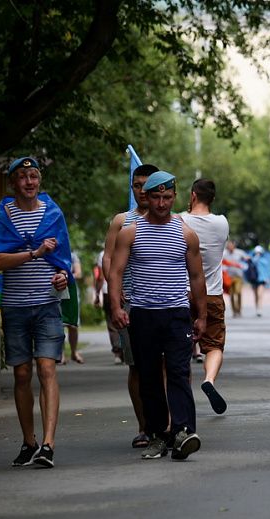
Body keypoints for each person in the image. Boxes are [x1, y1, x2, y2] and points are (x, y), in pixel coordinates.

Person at [108, 170, 207, 461]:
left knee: (179, 372)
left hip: (177, 314)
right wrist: (116, 307)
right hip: (143, 315)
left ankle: (183, 431)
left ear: (174, 197)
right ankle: (156, 435)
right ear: (146, 197)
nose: (162, 203)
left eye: (167, 197)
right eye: (156, 197)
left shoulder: (186, 233)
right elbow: (115, 272)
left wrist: (201, 316)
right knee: (149, 376)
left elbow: (197, 276)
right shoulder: (131, 232)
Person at [0, 156, 73, 469]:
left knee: (47, 369)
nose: (29, 182)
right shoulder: (3, 214)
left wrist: (62, 275)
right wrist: (34, 253)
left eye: (34, 176)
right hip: (15, 305)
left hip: (48, 303)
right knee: (22, 374)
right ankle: (29, 441)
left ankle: (48, 445)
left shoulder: (53, 213)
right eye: (22, 177)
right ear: (13, 183)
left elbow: (63, 259)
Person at [99, 163, 159, 448]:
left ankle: (167, 423)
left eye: (147, 185)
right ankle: (144, 426)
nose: (142, 190)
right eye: (137, 185)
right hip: (131, 304)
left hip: (162, 304)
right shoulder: (121, 221)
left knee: (164, 365)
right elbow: (108, 259)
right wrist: (115, 294)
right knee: (136, 367)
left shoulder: (170, 220)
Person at [181, 178, 230, 415]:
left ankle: (183, 395)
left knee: (180, 347)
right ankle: (209, 379)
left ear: (192, 196)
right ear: (212, 199)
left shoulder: (179, 220)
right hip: (212, 294)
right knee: (214, 346)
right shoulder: (222, 223)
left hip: (183, 293)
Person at [94, 249, 124, 365]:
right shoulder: (127, 246)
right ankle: (126, 351)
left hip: (108, 292)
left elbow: (100, 277)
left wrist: (97, 294)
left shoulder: (103, 254)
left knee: (112, 323)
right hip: (124, 290)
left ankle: (117, 352)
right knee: (126, 321)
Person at [61, 251, 84, 364]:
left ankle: (74, 352)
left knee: (73, 325)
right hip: (57, 292)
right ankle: (61, 354)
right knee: (59, 325)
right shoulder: (54, 254)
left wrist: (65, 277)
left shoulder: (72, 255)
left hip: (71, 292)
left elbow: (79, 273)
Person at [223, 240, 247, 317]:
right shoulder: (224, 253)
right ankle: (234, 311)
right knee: (231, 294)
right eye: (228, 246)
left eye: (231, 246)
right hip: (229, 277)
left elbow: (246, 258)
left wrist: (245, 262)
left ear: (234, 246)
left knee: (238, 292)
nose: (230, 247)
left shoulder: (239, 252)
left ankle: (239, 310)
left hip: (238, 276)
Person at [246, 245, 269, 316]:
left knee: (260, 295)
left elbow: (266, 270)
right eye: (257, 252)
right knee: (255, 295)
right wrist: (255, 257)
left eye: (259, 252)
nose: (258, 254)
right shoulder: (253, 260)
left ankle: (260, 309)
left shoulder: (264, 260)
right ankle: (257, 308)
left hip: (262, 280)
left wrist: (267, 278)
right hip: (254, 280)